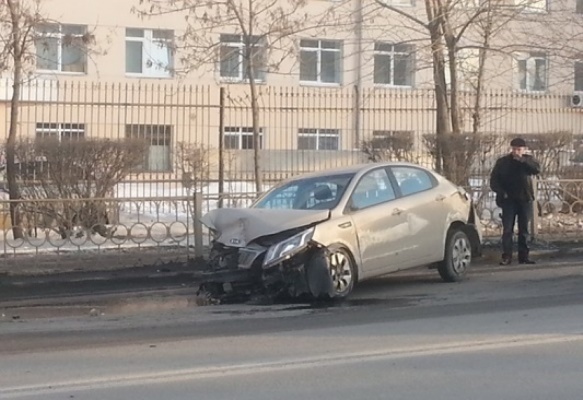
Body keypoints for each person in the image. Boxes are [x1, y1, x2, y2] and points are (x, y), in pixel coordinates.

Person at [490, 137, 541, 265]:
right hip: (508, 200)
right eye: (514, 149)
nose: (516, 152)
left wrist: (522, 160)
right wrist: (502, 192)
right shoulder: (503, 162)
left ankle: (523, 256)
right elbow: (494, 180)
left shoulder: (528, 160)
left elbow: (536, 170)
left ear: (524, 149)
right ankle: (507, 256)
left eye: (519, 149)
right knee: (508, 230)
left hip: (525, 199)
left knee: (524, 230)